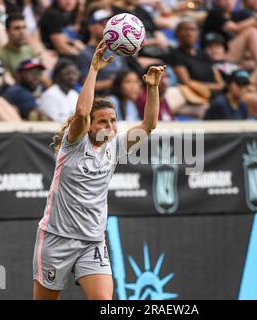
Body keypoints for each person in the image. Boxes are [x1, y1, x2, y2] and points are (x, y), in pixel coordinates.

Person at [32, 40, 165, 300]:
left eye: (113, 120)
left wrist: (152, 88)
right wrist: (94, 68)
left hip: (92, 241)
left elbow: (149, 125)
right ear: (90, 127)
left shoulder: (116, 146)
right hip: (56, 238)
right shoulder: (73, 145)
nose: (111, 126)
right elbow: (81, 113)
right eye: (103, 121)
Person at [76, 8, 129, 94]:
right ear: (91, 27)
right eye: (103, 24)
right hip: (100, 99)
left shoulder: (117, 50)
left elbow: (126, 75)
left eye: (110, 25)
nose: (107, 28)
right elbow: (85, 85)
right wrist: (114, 83)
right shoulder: (85, 54)